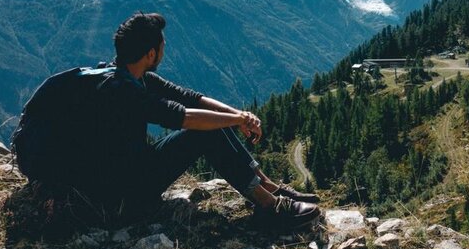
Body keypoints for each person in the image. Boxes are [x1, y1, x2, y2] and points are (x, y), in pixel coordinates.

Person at [76, 12, 320, 231]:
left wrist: (240, 116)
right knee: (205, 130)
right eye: (162, 46)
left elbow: (190, 98)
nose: (164, 51)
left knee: (212, 125)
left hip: (128, 176)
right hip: (120, 200)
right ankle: (270, 208)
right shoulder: (122, 92)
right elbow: (185, 117)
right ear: (151, 54)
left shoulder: (129, 76)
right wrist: (235, 119)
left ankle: (268, 187)